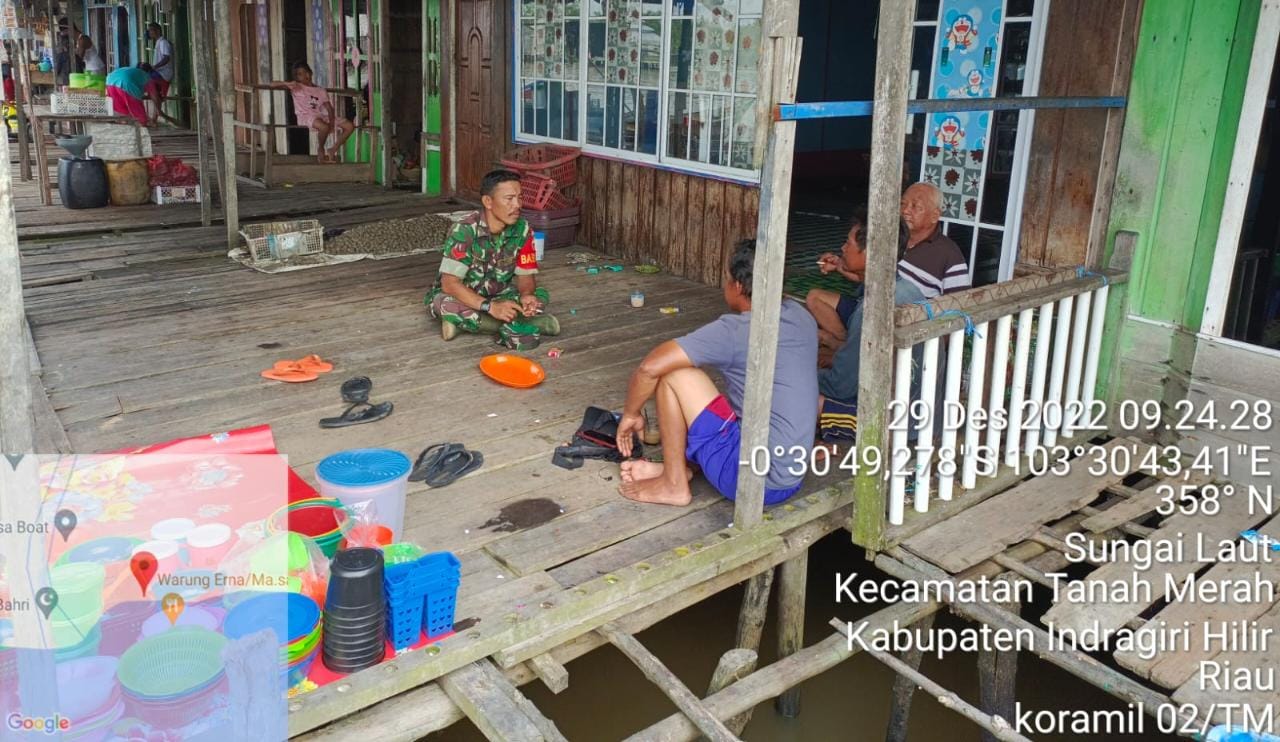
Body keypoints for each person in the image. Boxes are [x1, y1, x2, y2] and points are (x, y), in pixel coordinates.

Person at [614, 239, 818, 507]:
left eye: (726, 278)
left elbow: (649, 368)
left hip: (755, 483)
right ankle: (679, 469)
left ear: (738, 286)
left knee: (674, 376)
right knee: (725, 399)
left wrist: (631, 414)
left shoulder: (735, 331)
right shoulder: (801, 316)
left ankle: (673, 485)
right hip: (789, 474)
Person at [425, 169, 561, 341]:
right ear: (488, 201)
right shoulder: (465, 230)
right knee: (443, 303)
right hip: (464, 296)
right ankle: (535, 324)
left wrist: (527, 295)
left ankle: (465, 324)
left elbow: (525, 277)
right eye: (509, 199)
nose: (518, 205)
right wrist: (491, 308)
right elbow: (450, 284)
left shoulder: (523, 230)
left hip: (500, 294)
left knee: (540, 295)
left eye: (520, 197)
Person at [805, 208, 869, 353]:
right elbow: (860, 276)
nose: (843, 248)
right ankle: (845, 343)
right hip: (858, 306)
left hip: (863, 315)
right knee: (814, 296)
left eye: (848, 244)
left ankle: (840, 347)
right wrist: (839, 265)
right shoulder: (873, 270)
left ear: (866, 252)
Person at [267, 62, 355, 163]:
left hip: (320, 116)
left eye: (306, 72)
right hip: (305, 117)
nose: (305, 76)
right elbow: (272, 84)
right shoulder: (297, 87)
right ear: (296, 77)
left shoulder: (320, 90)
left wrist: (331, 123)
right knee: (324, 127)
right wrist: (286, 83)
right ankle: (320, 149)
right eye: (300, 74)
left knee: (349, 126)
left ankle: (333, 149)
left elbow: (330, 109)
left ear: (311, 73)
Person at [898, 182, 971, 299]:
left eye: (915, 206)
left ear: (934, 216)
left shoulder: (949, 255)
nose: (905, 210)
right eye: (902, 203)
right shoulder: (890, 236)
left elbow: (959, 308)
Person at [147, 23, 176, 124]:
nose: (149, 32)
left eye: (151, 30)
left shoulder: (163, 43)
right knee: (154, 92)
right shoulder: (158, 42)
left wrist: (155, 67)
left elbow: (166, 57)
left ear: (157, 31)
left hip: (164, 73)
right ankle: (155, 117)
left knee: (148, 82)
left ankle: (157, 113)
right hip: (159, 72)